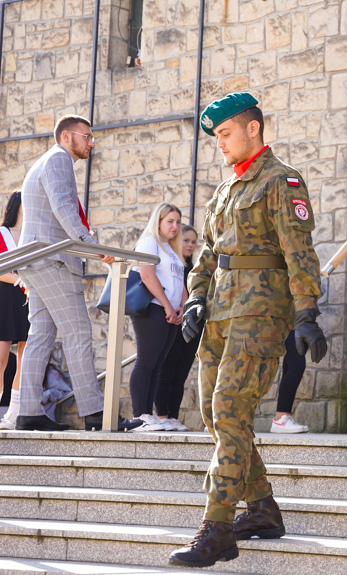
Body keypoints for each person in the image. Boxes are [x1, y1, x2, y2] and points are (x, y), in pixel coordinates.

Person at [168, 93, 327, 568]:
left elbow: (299, 252)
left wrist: (307, 313)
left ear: (253, 129)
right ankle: (261, 509)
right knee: (218, 420)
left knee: (230, 412)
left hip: (259, 312)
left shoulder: (282, 181)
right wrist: (195, 296)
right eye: (216, 137)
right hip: (219, 312)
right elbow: (208, 256)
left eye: (225, 134)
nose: (219, 144)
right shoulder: (225, 190)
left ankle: (217, 528)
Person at [15, 115, 139, 432]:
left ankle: (29, 412)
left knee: (40, 338)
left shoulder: (45, 162)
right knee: (79, 334)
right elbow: (64, 207)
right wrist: (92, 245)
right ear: (68, 136)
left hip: (37, 261)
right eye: (87, 136)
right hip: (52, 261)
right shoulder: (58, 160)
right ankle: (95, 412)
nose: (91, 142)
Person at [127, 203, 186, 432]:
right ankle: (139, 415)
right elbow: (147, 275)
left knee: (158, 363)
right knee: (146, 361)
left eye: (178, 222)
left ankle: (149, 415)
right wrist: (166, 305)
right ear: (158, 221)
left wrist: (181, 305)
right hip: (152, 308)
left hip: (169, 311)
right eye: (170, 221)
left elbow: (179, 280)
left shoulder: (171, 247)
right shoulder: (149, 242)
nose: (175, 226)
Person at [154, 224, 200, 432]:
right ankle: (162, 414)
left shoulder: (196, 268)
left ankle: (173, 416)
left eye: (193, 242)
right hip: (172, 322)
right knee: (167, 370)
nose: (190, 245)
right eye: (186, 240)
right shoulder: (170, 265)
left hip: (192, 326)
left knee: (180, 373)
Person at [0, 192, 28, 430]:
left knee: (24, 359)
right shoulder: (1, 234)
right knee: (0, 359)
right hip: (4, 297)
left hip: (28, 299)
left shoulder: (33, 236)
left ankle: (14, 413)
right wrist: (20, 281)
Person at [269, 330, 309, 433]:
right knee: (296, 364)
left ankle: (282, 417)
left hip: (302, 318)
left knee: (291, 361)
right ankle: (281, 418)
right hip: (292, 319)